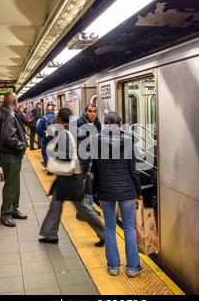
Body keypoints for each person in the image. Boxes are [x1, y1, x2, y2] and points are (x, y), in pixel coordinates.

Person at [39, 108, 105, 247]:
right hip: (70, 175)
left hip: (70, 176)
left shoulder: (64, 133)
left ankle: (105, 233)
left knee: (82, 207)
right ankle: (50, 234)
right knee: (57, 205)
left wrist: (54, 152)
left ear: (58, 119)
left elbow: (67, 154)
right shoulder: (74, 130)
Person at [93, 112, 143, 277]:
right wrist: (139, 192)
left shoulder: (96, 140)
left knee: (109, 227)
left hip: (106, 190)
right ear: (120, 124)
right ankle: (133, 268)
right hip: (127, 190)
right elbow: (133, 171)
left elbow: (96, 170)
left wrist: (95, 191)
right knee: (129, 227)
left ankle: (113, 267)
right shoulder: (128, 140)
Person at [0, 92, 28, 227]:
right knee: (10, 184)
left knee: (15, 182)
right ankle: (6, 214)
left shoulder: (0, 111)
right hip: (10, 154)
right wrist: (22, 146)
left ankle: (14, 209)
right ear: (14, 101)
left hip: (7, 153)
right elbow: (8, 137)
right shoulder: (8, 114)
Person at [71, 103, 103, 221]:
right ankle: (81, 212)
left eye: (95, 111)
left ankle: (88, 209)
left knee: (89, 186)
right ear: (85, 112)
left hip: (93, 161)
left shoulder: (98, 124)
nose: (93, 114)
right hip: (81, 161)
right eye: (90, 111)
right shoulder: (77, 124)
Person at [37, 104, 56, 169]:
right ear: (53, 110)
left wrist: (42, 135)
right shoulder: (57, 117)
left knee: (45, 152)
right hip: (55, 138)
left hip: (46, 138)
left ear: (47, 110)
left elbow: (39, 129)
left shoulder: (43, 118)